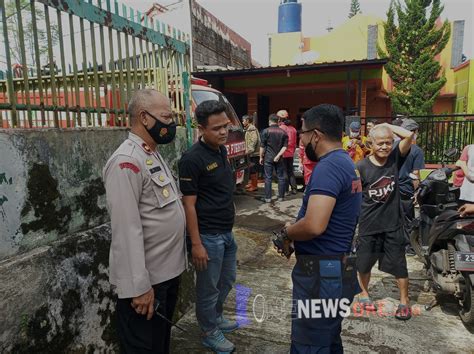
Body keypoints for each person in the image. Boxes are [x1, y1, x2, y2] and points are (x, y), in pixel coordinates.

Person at [103, 89, 187, 353]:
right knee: (142, 348)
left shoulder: (151, 153)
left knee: (159, 344)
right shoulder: (126, 161)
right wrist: (138, 288)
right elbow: (126, 230)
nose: (171, 123)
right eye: (166, 116)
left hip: (166, 275)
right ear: (144, 117)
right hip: (146, 284)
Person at [276, 104, 362, 353]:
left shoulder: (329, 167)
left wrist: (286, 233)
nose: (300, 140)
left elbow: (314, 225)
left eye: (302, 133)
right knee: (329, 340)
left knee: (309, 344)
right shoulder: (346, 162)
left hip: (321, 277)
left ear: (316, 134)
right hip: (338, 269)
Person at [178, 100, 238, 353]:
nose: (224, 132)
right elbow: (188, 206)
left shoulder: (221, 151)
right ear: (201, 128)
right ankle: (208, 331)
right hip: (208, 236)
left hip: (226, 232)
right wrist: (197, 244)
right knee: (208, 288)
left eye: (225, 126)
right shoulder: (191, 160)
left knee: (227, 281)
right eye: (216, 128)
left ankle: (216, 317)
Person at [355, 123, 414, 320]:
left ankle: (404, 301)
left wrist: (387, 125)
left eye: (388, 143)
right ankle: (364, 293)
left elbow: (408, 136)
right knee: (363, 264)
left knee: (400, 265)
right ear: (370, 144)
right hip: (368, 225)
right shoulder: (360, 167)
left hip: (393, 224)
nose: (385, 147)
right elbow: (354, 196)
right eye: (380, 143)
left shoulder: (394, 159)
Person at [398, 119, 425, 254]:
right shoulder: (417, 151)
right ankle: (408, 246)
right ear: (413, 133)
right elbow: (415, 174)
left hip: (391, 187)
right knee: (408, 218)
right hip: (406, 188)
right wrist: (416, 192)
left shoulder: (394, 146)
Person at [259, 113, 288, 203]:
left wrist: (260, 157)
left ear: (269, 121)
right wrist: (278, 155)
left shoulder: (265, 131)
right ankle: (281, 197)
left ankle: (268, 198)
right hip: (279, 158)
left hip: (268, 158)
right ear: (278, 121)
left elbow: (262, 146)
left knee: (268, 178)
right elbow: (285, 147)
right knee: (281, 177)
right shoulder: (283, 132)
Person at [277, 110, 298, 195]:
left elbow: (279, 142)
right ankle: (294, 188)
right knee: (290, 171)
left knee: (284, 171)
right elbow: (295, 142)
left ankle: (286, 190)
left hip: (283, 153)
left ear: (280, 118)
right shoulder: (293, 129)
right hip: (291, 153)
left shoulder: (281, 128)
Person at [243, 114, 261, 192]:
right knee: (251, 169)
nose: (242, 122)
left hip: (253, 153)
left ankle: (254, 186)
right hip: (251, 153)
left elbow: (254, 140)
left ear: (247, 121)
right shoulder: (248, 128)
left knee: (253, 169)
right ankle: (252, 184)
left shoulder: (252, 129)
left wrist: (249, 150)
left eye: (243, 120)